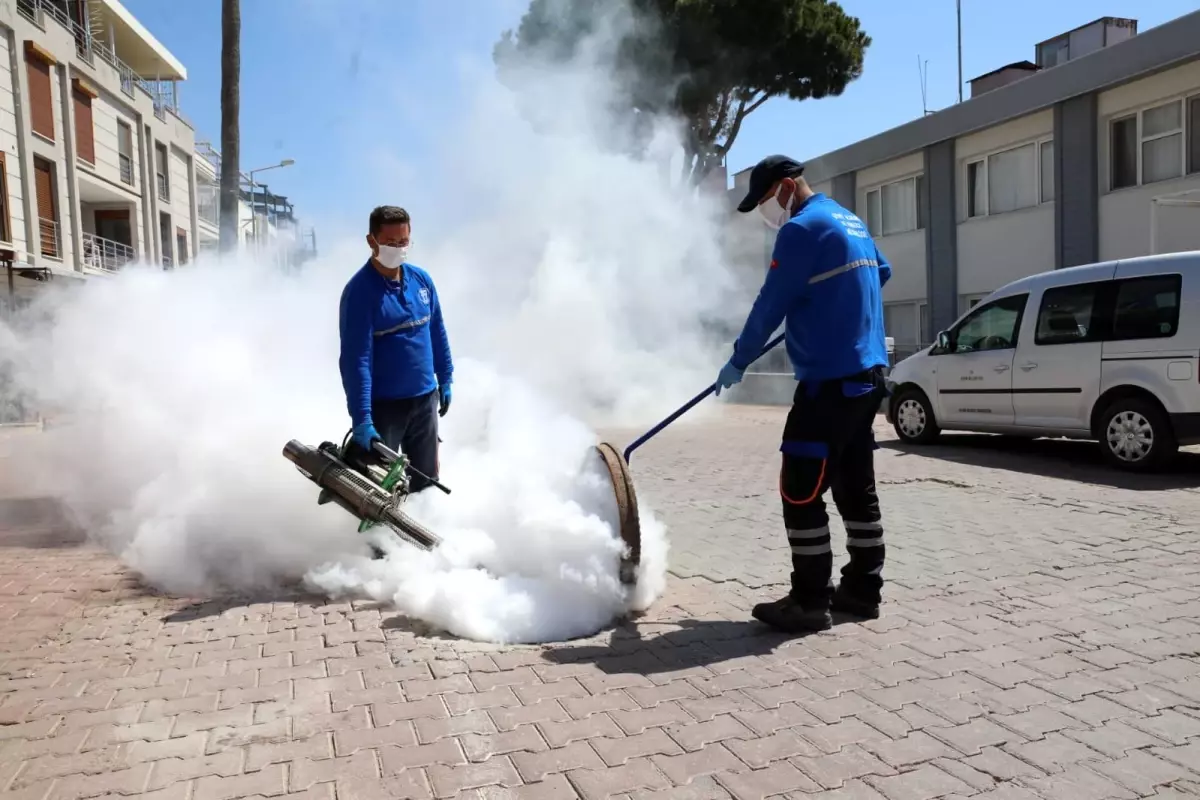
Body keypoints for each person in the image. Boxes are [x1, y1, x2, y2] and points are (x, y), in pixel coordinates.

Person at [717, 155, 891, 634]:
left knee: (800, 489)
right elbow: (883, 272)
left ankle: (810, 600)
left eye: (767, 199)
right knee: (856, 487)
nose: (768, 212)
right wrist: (835, 302)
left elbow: (769, 304)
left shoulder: (801, 231)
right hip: (868, 380)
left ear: (788, 186)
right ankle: (862, 589)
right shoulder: (851, 221)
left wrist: (740, 359)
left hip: (828, 385)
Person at [339, 205, 453, 493]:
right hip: (386, 408)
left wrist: (446, 376)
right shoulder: (360, 293)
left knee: (426, 482)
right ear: (372, 241)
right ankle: (378, 540)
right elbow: (357, 362)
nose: (399, 250)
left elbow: (436, 330)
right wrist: (362, 418)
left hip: (425, 399)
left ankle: (421, 534)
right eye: (391, 243)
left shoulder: (421, 281)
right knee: (379, 490)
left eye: (404, 242)